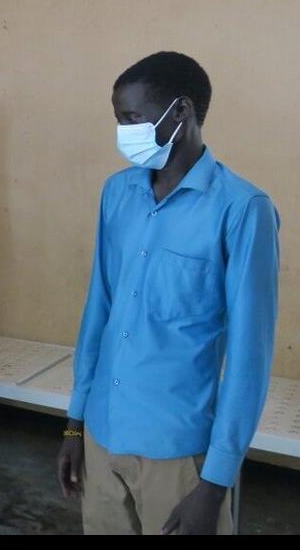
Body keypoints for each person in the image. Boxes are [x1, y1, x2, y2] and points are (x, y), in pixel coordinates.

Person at [56, 51, 280, 535]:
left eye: (132, 118)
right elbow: (99, 311)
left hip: (177, 456)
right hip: (102, 437)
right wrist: (75, 424)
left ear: (181, 111)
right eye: (118, 119)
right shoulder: (118, 194)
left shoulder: (242, 210)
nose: (123, 132)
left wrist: (214, 483)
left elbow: (249, 358)